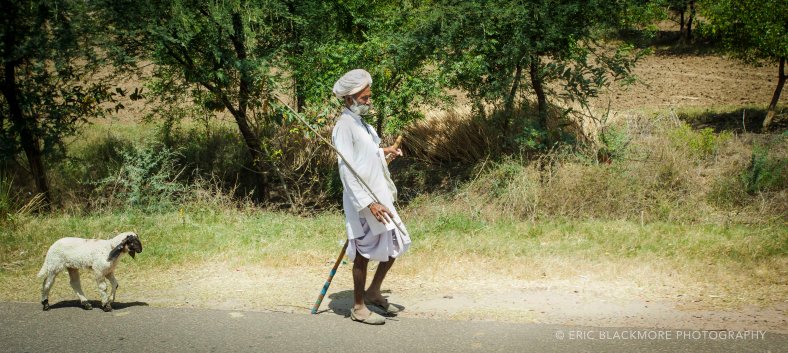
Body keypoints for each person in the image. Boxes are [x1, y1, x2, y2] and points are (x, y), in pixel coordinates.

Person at [331, 69, 411, 325]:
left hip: (379, 194)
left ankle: (374, 291)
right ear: (349, 99)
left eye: (368, 97)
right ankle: (358, 306)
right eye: (364, 98)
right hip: (363, 201)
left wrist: (383, 152)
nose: (368, 101)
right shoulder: (343, 126)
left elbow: (367, 155)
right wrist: (368, 203)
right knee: (363, 251)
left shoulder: (360, 124)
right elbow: (346, 168)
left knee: (396, 241)